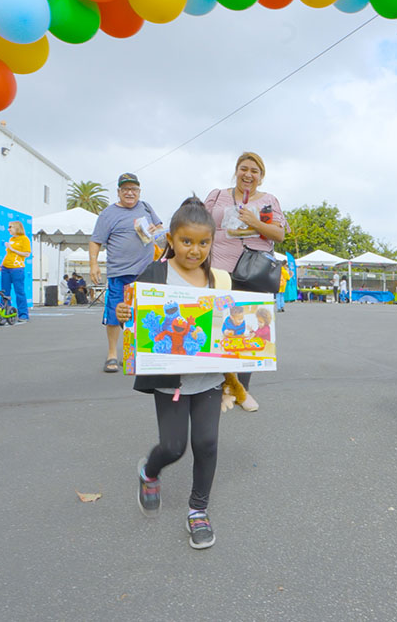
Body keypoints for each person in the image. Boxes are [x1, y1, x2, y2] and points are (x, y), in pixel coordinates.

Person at [116, 196, 230, 550]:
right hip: (170, 382)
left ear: (212, 242)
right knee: (174, 446)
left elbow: (231, 326)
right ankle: (149, 472)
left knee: (207, 443)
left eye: (203, 243)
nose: (194, 250)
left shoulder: (219, 279)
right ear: (171, 239)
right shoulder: (157, 274)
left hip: (209, 378)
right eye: (186, 241)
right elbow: (137, 319)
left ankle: (198, 511)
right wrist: (125, 314)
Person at [204, 152, 287, 411]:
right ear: (236, 171)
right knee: (218, 327)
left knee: (248, 329)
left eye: (254, 170)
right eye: (244, 169)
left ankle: (242, 389)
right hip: (219, 270)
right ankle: (218, 386)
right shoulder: (218, 195)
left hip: (254, 271)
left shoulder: (269, 200)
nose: (248, 174)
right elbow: (199, 224)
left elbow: (280, 234)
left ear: (261, 177)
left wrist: (254, 223)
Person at [89, 173, 163, 373]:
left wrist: (155, 229)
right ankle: (112, 354)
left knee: (145, 315)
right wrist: (94, 264)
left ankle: (139, 353)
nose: (130, 193)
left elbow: (160, 229)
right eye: (126, 189)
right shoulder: (108, 214)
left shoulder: (146, 207)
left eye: (134, 189)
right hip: (119, 273)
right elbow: (96, 240)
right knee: (114, 314)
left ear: (139, 191)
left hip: (146, 273)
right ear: (119, 192)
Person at [0, 221, 31, 323]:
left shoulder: (24, 239)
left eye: (10, 227)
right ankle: (4, 313)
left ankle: (23, 314)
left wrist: (12, 249)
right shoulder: (11, 239)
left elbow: (26, 254)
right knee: (4, 292)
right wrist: (1, 266)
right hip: (6, 268)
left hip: (17, 268)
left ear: (17, 228)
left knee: (19, 291)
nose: (8, 229)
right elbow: (8, 254)